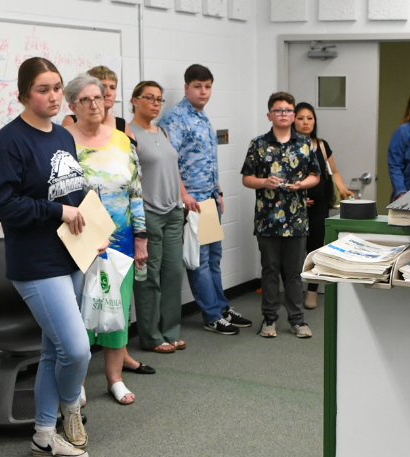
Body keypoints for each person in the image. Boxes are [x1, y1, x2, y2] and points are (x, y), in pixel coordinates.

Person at [0, 57, 96, 457]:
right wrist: (56, 213)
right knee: (77, 350)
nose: (52, 96)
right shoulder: (10, 140)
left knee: (54, 351)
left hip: (72, 253)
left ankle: (44, 434)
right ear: (23, 94)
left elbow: (72, 194)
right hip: (35, 262)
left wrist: (94, 231)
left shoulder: (63, 137)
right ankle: (71, 406)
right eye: (43, 89)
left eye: (56, 88)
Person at [63, 74, 151, 405]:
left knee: (116, 310)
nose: (94, 104)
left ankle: (114, 379)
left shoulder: (122, 141)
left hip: (121, 240)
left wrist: (141, 238)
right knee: (80, 313)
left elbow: (136, 193)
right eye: (85, 100)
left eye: (98, 97)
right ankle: (78, 381)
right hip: (78, 241)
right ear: (72, 106)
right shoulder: (61, 141)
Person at [158, 64, 252, 334]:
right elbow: (169, 160)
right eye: (198, 86)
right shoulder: (176, 117)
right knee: (198, 260)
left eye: (208, 86)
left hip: (209, 199)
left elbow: (209, 159)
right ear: (186, 88)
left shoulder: (202, 116)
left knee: (213, 257)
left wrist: (219, 191)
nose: (203, 91)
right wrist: (183, 194)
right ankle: (211, 315)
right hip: (192, 203)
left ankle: (222, 307)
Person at [240, 92, 320, 339]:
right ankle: (269, 319)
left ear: (293, 115)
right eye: (278, 110)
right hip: (268, 220)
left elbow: (315, 175)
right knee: (270, 270)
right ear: (269, 115)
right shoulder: (258, 144)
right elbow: (246, 178)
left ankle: (297, 320)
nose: (283, 114)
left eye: (287, 110)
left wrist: (301, 185)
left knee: (294, 272)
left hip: (296, 220)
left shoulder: (305, 144)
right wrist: (265, 181)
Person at [130, 81, 190, 353]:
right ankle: (151, 336)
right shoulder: (128, 133)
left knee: (174, 273)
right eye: (149, 98)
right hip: (149, 213)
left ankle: (170, 330)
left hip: (173, 212)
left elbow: (172, 169)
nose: (155, 103)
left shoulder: (162, 131)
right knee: (149, 277)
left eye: (159, 99)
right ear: (135, 100)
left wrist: (183, 196)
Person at [293, 102, 352, 310]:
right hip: (293, 208)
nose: (305, 122)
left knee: (316, 249)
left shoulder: (322, 145)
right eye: (300, 118)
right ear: (293, 120)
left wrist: (343, 189)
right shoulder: (288, 146)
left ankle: (312, 292)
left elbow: (333, 172)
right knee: (293, 251)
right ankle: (292, 292)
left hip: (319, 208)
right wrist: (299, 197)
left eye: (309, 118)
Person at [63, 65, 136, 144]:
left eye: (112, 88)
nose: (108, 93)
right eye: (103, 87)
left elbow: (132, 152)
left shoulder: (121, 124)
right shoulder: (71, 121)